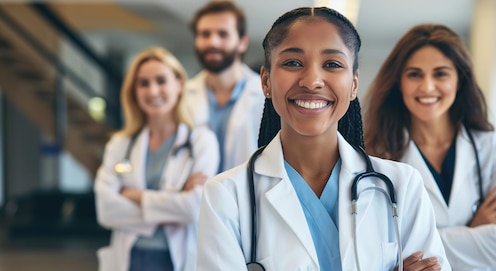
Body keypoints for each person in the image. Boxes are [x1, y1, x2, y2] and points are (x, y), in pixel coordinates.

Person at [196, 7, 451, 271]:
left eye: (332, 64)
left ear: (353, 85)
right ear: (266, 81)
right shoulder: (226, 196)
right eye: (293, 63)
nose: (312, 81)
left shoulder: (401, 185)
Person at [363, 24, 496, 271]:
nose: (427, 87)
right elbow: (374, 249)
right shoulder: (375, 157)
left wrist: (420, 241)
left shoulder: (494, 150)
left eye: (441, 74)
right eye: (414, 74)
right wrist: (472, 230)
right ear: (399, 83)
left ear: (459, 80)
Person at [94, 47, 219, 271]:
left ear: (179, 84)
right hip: (129, 258)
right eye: (143, 83)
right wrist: (173, 201)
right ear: (134, 91)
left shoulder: (201, 141)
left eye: (161, 81)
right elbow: (106, 210)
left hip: (176, 259)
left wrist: (135, 196)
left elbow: (193, 208)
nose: (152, 91)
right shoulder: (120, 144)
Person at [186, 0, 265, 173]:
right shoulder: (182, 95)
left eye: (223, 34)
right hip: (195, 198)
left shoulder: (265, 96)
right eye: (205, 34)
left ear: (242, 42)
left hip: (246, 196)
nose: (213, 42)